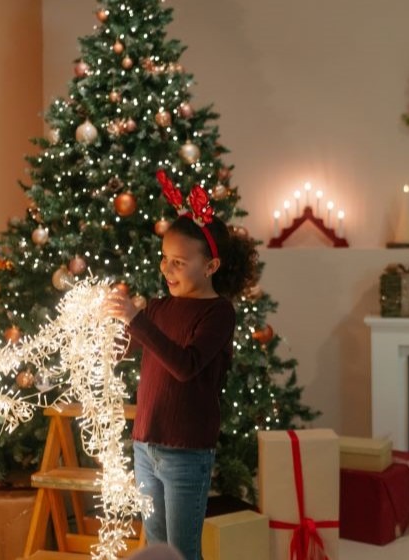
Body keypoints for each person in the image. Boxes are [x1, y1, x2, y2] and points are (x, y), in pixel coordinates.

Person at [105, 173, 259, 560]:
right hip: (145, 445)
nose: (167, 269)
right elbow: (126, 347)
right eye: (164, 258)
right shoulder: (159, 307)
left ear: (210, 266)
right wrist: (105, 333)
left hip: (187, 453)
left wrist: (136, 320)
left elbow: (185, 366)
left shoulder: (218, 313)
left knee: (182, 552)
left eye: (178, 262)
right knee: (158, 550)